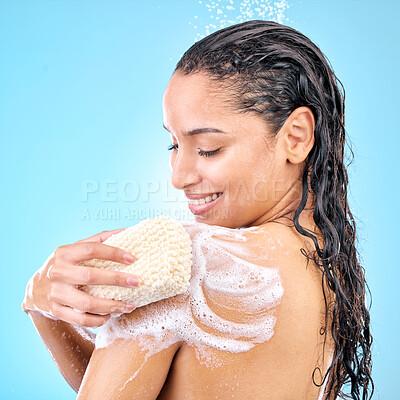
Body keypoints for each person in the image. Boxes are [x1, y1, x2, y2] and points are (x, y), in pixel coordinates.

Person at [22, 20, 374, 399]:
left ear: (296, 136)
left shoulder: (191, 262)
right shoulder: (336, 274)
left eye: (207, 148)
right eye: (173, 145)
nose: (179, 177)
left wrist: (37, 299)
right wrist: (43, 312)